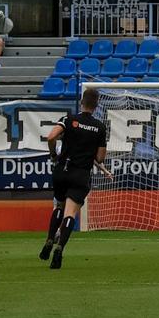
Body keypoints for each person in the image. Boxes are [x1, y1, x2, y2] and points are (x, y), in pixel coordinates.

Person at [41, 86, 109, 269]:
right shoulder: (100, 127)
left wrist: (53, 155)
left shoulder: (69, 119)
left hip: (62, 171)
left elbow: (50, 137)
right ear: (96, 105)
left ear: (81, 102)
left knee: (59, 206)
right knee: (70, 213)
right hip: (81, 174)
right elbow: (100, 158)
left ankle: (49, 239)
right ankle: (60, 248)